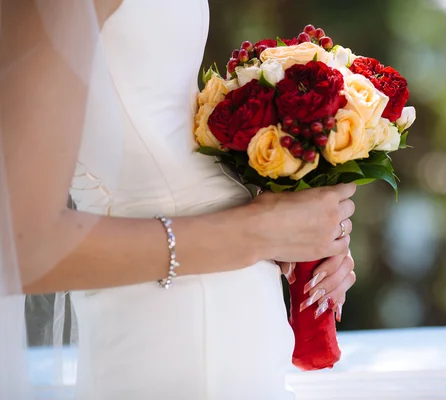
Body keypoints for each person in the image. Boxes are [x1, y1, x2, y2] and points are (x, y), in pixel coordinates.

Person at [0, 0, 356, 398]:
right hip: (176, 325)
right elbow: (21, 245)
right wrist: (258, 231)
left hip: (222, 314)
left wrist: (295, 217)